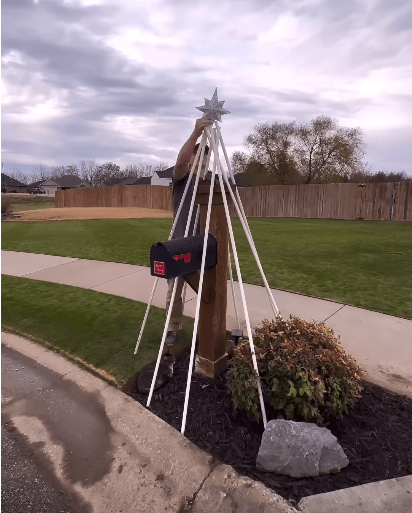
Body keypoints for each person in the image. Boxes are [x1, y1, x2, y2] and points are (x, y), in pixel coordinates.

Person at [165, 117, 213, 353]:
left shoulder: (208, 184)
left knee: (209, 287)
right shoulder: (182, 178)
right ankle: (172, 329)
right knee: (175, 290)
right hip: (180, 243)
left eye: (205, 157)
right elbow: (180, 162)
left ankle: (207, 327)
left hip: (202, 244)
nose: (201, 161)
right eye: (198, 155)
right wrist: (196, 133)